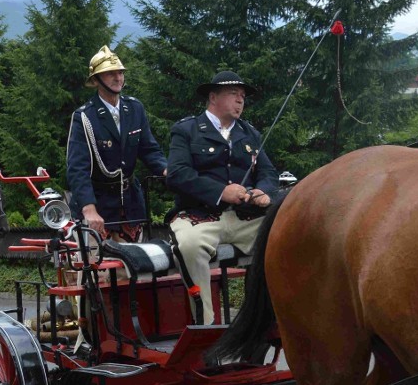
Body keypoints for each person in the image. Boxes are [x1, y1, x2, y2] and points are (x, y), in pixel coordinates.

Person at [166, 71, 278, 324]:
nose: (240, 101)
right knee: (190, 246)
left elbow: (269, 172)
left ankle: (268, 319)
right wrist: (220, 191)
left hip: (245, 218)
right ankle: (205, 327)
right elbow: (177, 174)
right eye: (233, 94)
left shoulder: (250, 134)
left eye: (242, 96)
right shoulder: (187, 130)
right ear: (213, 97)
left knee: (288, 230)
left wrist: (263, 191)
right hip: (201, 216)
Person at [66, 45, 167, 242]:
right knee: (98, 269)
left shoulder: (135, 108)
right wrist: (89, 208)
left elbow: (149, 149)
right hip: (97, 206)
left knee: (135, 267)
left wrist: (167, 170)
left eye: (120, 72)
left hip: (131, 205)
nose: (118, 78)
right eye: (110, 73)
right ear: (95, 80)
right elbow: (77, 168)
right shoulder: (84, 116)